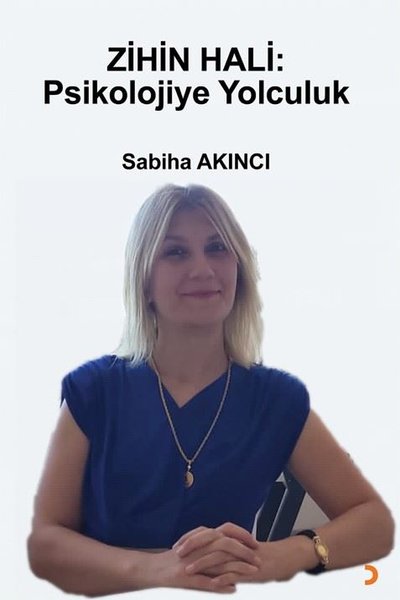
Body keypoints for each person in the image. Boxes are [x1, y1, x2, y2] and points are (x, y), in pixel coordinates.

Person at [27, 184, 394, 596]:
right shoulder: (93, 390)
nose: (202, 269)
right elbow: (45, 545)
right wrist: (155, 568)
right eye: (176, 252)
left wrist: (282, 556)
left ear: (239, 269)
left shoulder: (277, 399)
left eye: (217, 248)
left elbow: (376, 524)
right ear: (144, 281)